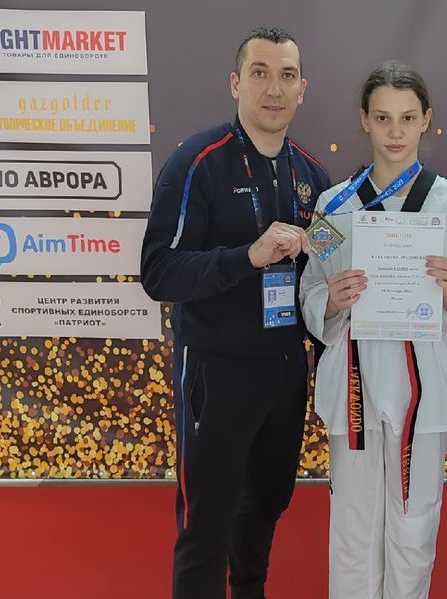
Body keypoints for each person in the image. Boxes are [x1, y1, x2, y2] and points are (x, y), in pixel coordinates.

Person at [140, 27, 330, 599]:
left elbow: (322, 280)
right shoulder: (197, 162)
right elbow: (159, 272)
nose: (274, 89)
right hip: (216, 371)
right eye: (260, 73)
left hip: (284, 373)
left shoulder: (314, 178)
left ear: (302, 90)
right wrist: (246, 257)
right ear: (235, 83)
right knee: (208, 520)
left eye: (287, 76)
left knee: (267, 503)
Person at [300, 60, 447, 599]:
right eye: (383, 118)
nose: (395, 132)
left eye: (407, 117)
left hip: (422, 384)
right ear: (365, 120)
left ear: (426, 119)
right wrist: (330, 302)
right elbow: (311, 288)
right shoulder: (334, 206)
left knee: (414, 521)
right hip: (352, 382)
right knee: (353, 525)